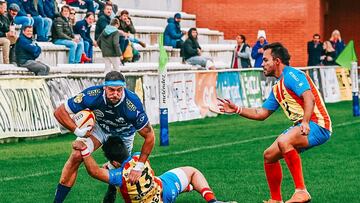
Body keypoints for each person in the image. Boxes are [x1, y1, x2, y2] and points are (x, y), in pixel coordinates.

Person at [218, 42, 332, 203]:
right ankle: (276, 200)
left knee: (283, 141)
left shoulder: (291, 75)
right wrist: (237, 109)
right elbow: (262, 113)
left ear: (277, 61)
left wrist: (305, 122)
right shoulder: (277, 87)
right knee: (269, 155)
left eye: (265, 60)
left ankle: (301, 191)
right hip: (303, 125)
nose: (262, 64)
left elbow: (309, 97)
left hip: (318, 124)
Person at [53, 71, 155, 203]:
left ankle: (112, 187)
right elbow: (59, 111)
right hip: (100, 129)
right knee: (76, 155)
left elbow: (149, 135)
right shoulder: (92, 95)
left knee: (121, 172)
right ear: (104, 87)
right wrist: (77, 131)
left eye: (119, 90)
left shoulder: (132, 105)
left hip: (124, 135)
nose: (116, 94)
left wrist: (139, 166)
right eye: (112, 90)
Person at [73, 136, 236, 203]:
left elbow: (94, 171)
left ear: (114, 162)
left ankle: (188, 187)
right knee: (192, 171)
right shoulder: (138, 156)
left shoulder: (117, 176)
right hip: (166, 191)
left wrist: (84, 150)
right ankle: (212, 201)